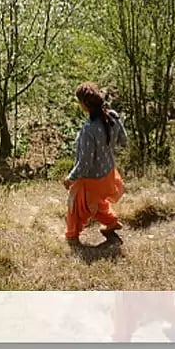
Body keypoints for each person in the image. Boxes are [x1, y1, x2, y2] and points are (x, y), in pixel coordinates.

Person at [64, 82, 128, 244]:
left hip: (91, 179)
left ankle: (72, 235)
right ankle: (112, 223)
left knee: (75, 205)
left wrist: (70, 178)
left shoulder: (88, 130)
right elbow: (124, 140)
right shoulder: (113, 116)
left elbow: (85, 163)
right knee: (97, 203)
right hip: (109, 173)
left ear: (84, 105)